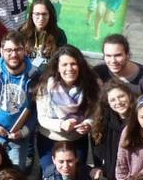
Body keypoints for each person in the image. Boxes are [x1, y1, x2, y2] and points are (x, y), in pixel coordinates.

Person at [0, 30, 41, 171]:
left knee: (14, 175)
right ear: (1, 52)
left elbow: (37, 109)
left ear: (25, 50)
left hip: (18, 139)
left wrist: (24, 131)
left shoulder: (35, 75)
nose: (13, 54)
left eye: (18, 49)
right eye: (9, 50)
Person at [36, 44, 99, 172]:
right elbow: (42, 118)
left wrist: (88, 123)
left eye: (73, 64)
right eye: (64, 64)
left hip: (77, 140)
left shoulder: (90, 85)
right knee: (50, 175)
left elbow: (95, 113)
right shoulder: (46, 86)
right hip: (50, 139)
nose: (69, 68)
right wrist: (61, 124)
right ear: (57, 67)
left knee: (77, 175)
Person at [92, 34, 143, 109]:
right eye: (108, 56)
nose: (113, 61)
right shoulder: (98, 72)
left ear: (128, 55)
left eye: (118, 55)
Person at [90, 78, 134, 180]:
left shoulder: (139, 119)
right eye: (113, 100)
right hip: (110, 176)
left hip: (133, 176)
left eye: (121, 96)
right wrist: (98, 167)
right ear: (108, 103)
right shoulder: (103, 122)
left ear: (129, 95)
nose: (118, 102)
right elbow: (97, 149)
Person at [21, 0, 66, 70]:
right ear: (31, 15)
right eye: (37, 14)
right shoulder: (22, 33)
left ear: (50, 15)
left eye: (44, 14)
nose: (41, 18)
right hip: (26, 73)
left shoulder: (59, 35)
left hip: (48, 74)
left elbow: (61, 61)